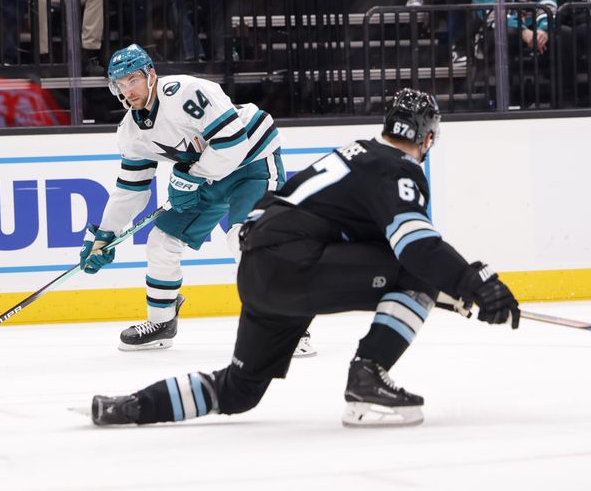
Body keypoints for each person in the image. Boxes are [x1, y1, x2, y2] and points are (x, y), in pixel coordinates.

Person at [88, 88, 521, 428]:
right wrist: (475, 281)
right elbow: (416, 248)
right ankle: (368, 376)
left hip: (260, 271)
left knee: (239, 389)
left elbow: (302, 216)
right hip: (295, 264)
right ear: (427, 139)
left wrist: (454, 292)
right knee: (419, 272)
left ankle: (132, 406)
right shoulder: (398, 170)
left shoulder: (354, 154)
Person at [79, 43, 315, 357]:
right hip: (205, 175)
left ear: (151, 74)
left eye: (132, 79)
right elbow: (131, 190)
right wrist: (104, 235)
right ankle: (161, 323)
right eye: (119, 84)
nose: (127, 90)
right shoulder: (130, 133)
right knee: (162, 242)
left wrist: (189, 177)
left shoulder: (186, 92)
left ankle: (288, 325)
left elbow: (232, 143)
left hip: (252, 162)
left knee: (247, 240)